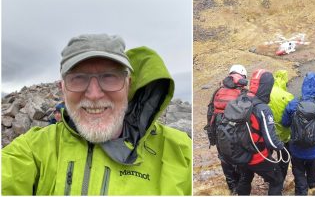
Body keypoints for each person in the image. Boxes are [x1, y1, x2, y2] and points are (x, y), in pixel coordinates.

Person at [2, 34, 192, 195]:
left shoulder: (181, 153)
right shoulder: (32, 150)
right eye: (78, 78)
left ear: (128, 85)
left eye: (109, 77)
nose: (94, 94)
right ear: (62, 89)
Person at [236, 69, 284, 196]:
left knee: (245, 178)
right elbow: (271, 142)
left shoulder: (241, 99)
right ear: (266, 87)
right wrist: (281, 146)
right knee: (277, 179)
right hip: (256, 156)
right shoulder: (263, 109)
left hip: (240, 154)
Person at [206, 64, 248, 195]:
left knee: (224, 158)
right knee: (241, 158)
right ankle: (242, 187)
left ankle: (232, 187)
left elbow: (210, 113)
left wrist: (211, 136)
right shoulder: (244, 92)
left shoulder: (217, 91)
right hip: (237, 132)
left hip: (219, 130)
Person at [268, 70, 294, 182]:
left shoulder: (267, 92)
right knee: (283, 158)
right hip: (284, 135)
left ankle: (268, 177)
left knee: (267, 155)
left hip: (268, 133)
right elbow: (292, 116)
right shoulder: (288, 96)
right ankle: (280, 179)